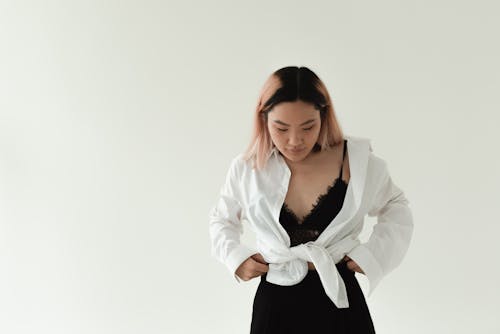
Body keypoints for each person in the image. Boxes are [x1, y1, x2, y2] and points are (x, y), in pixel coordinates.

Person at [208, 66, 414, 333]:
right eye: (281, 128)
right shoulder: (248, 168)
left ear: (324, 116)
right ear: (263, 120)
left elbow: (396, 207)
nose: (295, 141)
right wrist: (235, 258)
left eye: (308, 127)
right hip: (275, 305)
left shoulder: (358, 162)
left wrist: (374, 255)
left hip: (340, 303)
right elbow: (221, 218)